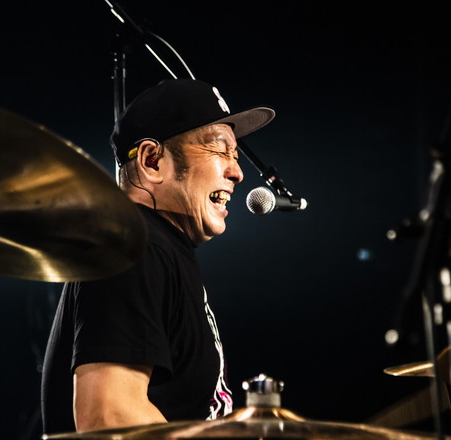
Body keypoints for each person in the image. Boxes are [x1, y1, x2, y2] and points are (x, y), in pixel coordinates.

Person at [41, 78, 275, 434]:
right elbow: (108, 418)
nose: (237, 172)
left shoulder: (160, 249)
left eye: (236, 155)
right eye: (219, 150)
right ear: (152, 161)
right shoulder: (135, 247)